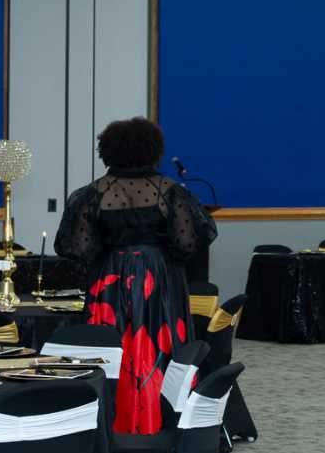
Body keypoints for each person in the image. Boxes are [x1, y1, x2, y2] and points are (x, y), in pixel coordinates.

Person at [55, 117, 218, 434]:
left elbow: (76, 248)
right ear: (153, 151)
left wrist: (111, 250)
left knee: (110, 348)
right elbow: (189, 243)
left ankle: (107, 426)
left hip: (110, 280)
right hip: (159, 282)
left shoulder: (92, 194)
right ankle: (163, 423)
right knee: (160, 345)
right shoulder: (170, 192)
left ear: (108, 151)